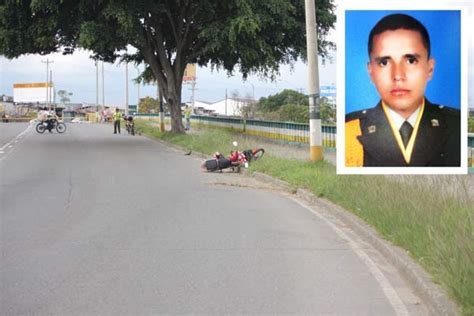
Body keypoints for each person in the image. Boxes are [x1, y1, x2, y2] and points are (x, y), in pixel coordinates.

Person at [345, 13, 460, 167]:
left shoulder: (457, 126)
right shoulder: (350, 131)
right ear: (371, 72)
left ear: (430, 68)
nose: (398, 75)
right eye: (384, 62)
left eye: (411, 60)